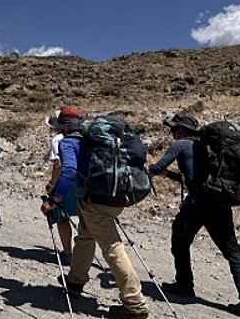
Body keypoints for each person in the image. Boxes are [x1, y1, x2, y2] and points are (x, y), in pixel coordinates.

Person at [149, 113, 240, 319]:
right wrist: (172, 176)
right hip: (218, 202)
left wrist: (146, 169)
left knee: (180, 241)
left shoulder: (180, 144)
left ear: (181, 130)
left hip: (197, 205)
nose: (172, 133)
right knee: (232, 251)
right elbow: (197, 179)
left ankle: (184, 285)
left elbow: (157, 167)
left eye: (173, 129)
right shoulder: (207, 147)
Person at [42, 106, 149, 319]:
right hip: (114, 197)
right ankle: (75, 280)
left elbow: (69, 172)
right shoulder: (91, 141)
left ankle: (134, 303)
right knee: (85, 236)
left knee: (112, 248)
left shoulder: (68, 143)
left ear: (62, 126)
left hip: (96, 202)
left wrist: (54, 199)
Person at [45, 110, 79, 265]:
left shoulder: (58, 140)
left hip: (65, 182)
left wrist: (52, 184)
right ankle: (84, 252)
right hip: (83, 182)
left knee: (63, 217)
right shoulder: (82, 137)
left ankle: (67, 253)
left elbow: (58, 166)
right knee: (84, 217)